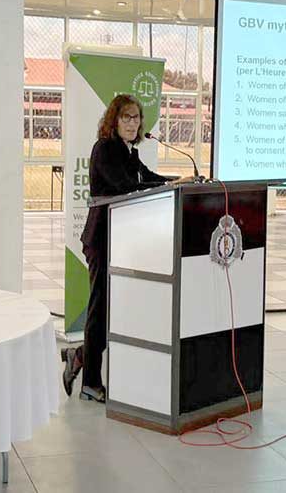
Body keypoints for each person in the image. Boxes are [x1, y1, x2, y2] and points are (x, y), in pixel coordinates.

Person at [61, 94, 189, 403]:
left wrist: (180, 181)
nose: (132, 123)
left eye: (136, 118)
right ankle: (91, 382)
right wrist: (165, 187)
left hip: (124, 240)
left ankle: (79, 356)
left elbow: (148, 177)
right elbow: (123, 186)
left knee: (115, 311)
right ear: (114, 120)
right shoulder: (105, 149)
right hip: (103, 240)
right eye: (126, 118)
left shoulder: (127, 150)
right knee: (99, 310)